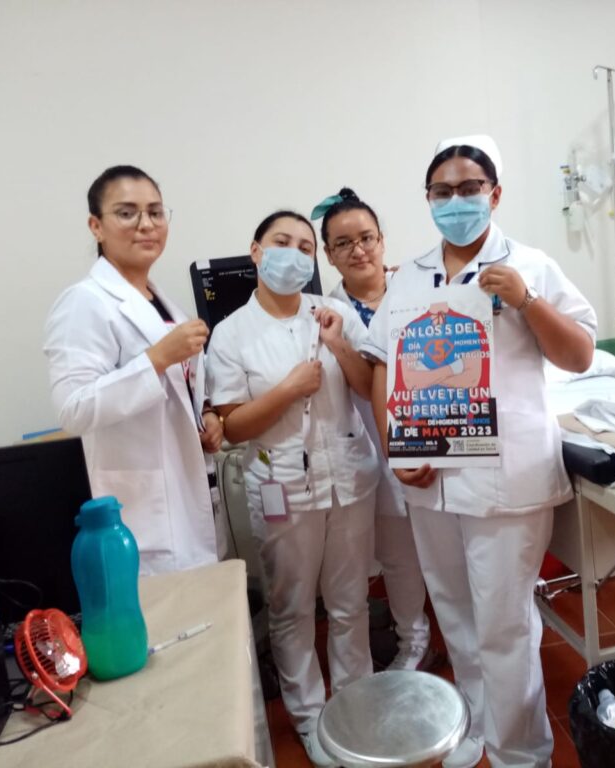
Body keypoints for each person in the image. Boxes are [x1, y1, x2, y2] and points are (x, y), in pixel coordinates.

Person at [363, 136, 597, 768]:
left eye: (470, 189)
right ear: (428, 199)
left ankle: (521, 753)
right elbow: (384, 364)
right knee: (457, 616)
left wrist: (525, 301)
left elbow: (579, 354)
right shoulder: (410, 276)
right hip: (428, 476)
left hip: (506, 476)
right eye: (443, 192)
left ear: (494, 195)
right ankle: (476, 729)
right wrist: (397, 449)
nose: (456, 201)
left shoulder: (530, 266)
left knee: (503, 624)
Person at [207, 210, 379, 768]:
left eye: (306, 247)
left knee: (351, 602)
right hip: (281, 485)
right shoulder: (231, 334)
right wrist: (287, 389)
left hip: (347, 478)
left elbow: (367, 388)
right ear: (256, 251)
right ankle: (308, 715)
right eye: (282, 242)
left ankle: (355, 705)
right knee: (292, 607)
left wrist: (339, 344)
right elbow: (233, 426)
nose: (295, 254)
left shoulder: (333, 313)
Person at [44, 165, 220, 576]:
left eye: (156, 212)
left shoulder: (163, 303)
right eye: (127, 213)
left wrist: (207, 416)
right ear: (96, 226)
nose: (146, 224)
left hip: (186, 495)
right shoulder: (84, 303)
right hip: (143, 515)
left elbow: (178, 391)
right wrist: (156, 359)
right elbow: (73, 409)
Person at [312, 187, 434, 671]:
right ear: (329, 255)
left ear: (382, 240)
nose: (358, 250)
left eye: (366, 238)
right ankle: (414, 643)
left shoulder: (419, 290)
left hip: (435, 438)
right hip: (371, 449)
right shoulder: (325, 312)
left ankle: (463, 640)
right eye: (343, 243)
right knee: (399, 558)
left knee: (451, 551)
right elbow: (364, 388)